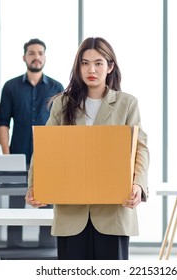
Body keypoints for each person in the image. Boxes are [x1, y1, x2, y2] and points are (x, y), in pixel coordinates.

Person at [25, 37, 150, 260]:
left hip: (114, 212)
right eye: (84, 63)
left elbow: (140, 148)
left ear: (110, 66)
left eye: (98, 63)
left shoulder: (127, 103)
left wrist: (139, 185)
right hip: (71, 213)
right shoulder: (62, 104)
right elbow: (45, 148)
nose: (91, 69)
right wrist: (35, 185)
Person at [0, 38, 64, 166]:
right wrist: (7, 156)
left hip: (48, 155)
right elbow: (3, 123)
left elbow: (62, 124)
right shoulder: (10, 87)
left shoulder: (57, 88)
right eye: (31, 53)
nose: (36, 57)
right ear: (24, 57)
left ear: (45, 57)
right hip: (18, 155)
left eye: (40, 53)